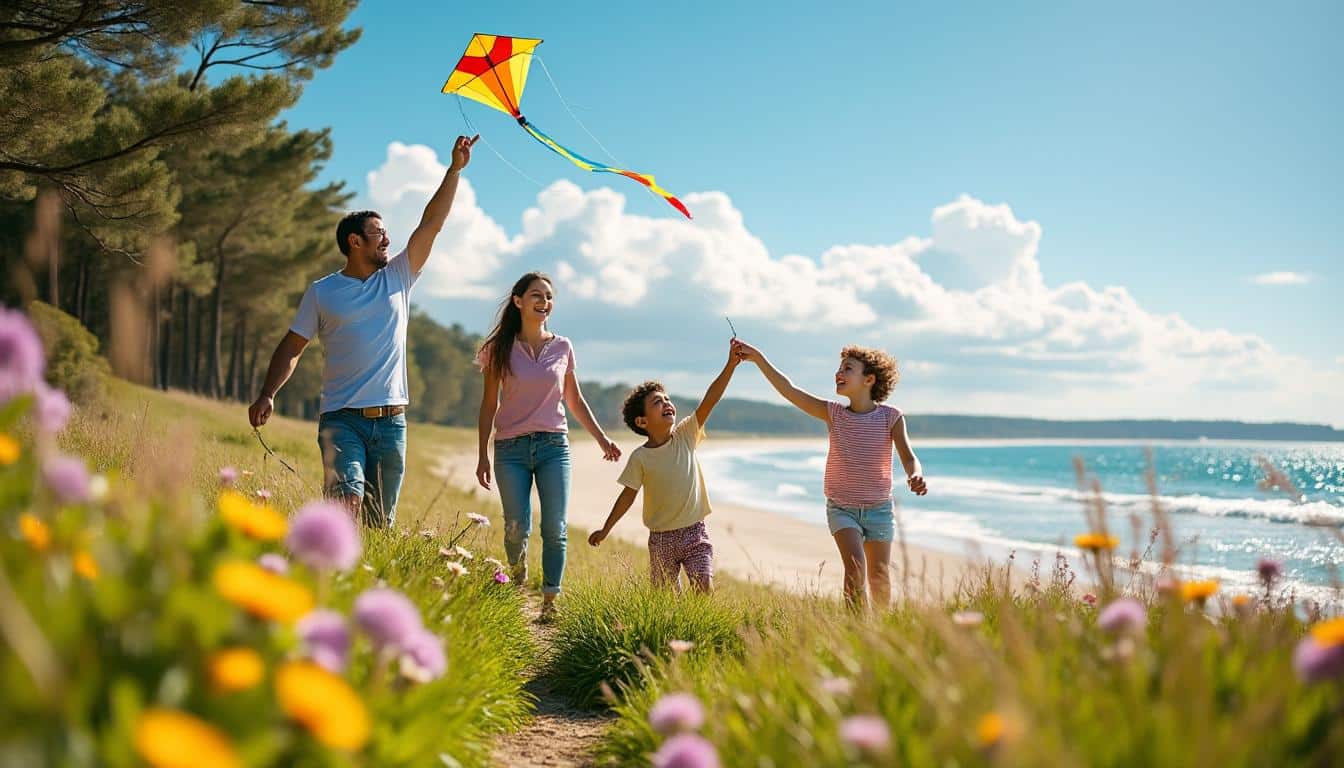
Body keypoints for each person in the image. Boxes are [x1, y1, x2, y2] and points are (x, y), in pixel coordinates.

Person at [248, 135, 479, 527]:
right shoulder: (323, 292)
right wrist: (268, 393)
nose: (388, 239)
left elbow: (432, 224)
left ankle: (357, 582)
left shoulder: (399, 277)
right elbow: (292, 346)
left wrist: (454, 169)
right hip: (342, 420)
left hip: (392, 423)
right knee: (345, 503)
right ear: (355, 242)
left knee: (378, 525)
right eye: (379, 233)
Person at [731, 339, 927, 609]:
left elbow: (908, 456)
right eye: (839, 368)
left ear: (869, 379)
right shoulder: (833, 413)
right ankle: (856, 629)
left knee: (879, 577)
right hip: (842, 508)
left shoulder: (891, 417)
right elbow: (789, 390)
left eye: (847, 368)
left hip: (880, 509)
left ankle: (883, 632)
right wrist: (759, 358)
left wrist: (915, 474)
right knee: (855, 568)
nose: (839, 373)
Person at [475, 271, 621, 620]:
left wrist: (602, 439)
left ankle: (550, 602)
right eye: (537, 296)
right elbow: (488, 405)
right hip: (510, 449)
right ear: (518, 301)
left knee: (555, 528)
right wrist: (482, 453)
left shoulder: (563, 347)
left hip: (554, 446)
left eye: (549, 297)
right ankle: (516, 579)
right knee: (515, 527)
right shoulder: (498, 349)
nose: (544, 302)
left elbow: (574, 399)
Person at [587, 340, 741, 593]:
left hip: (695, 532)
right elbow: (627, 495)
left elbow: (710, 399)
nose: (667, 403)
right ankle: (672, 633)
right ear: (642, 421)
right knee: (666, 600)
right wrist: (606, 529)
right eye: (657, 402)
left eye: (667, 399)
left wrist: (730, 365)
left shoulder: (685, 435)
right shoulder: (640, 458)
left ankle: (699, 632)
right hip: (661, 539)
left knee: (704, 586)